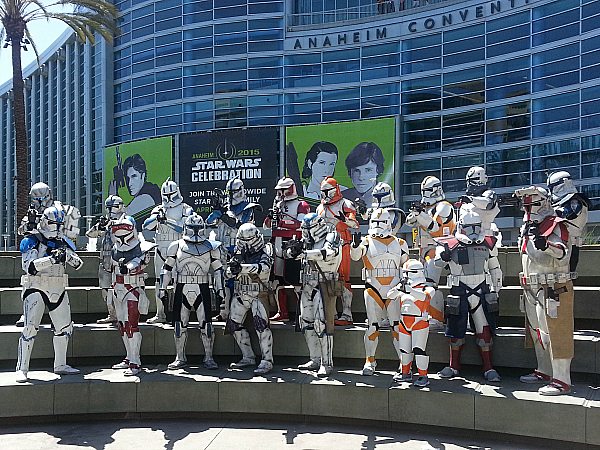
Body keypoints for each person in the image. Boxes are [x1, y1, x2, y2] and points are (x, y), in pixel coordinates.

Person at [515, 186, 576, 395]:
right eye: (526, 203)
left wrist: (546, 244)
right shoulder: (527, 227)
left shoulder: (555, 224)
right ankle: (544, 370)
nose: (528, 207)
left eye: (532, 202)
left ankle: (562, 379)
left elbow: (563, 253)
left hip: (552, 286)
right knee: (537, 332)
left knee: (555, 332)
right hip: (532, 287)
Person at [434, 209, 502, 382]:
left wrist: (497, 288)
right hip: (459, 290)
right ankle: (453, 365)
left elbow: (495, 267)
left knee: (484, 332)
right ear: (461, 226)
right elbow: (436, 264)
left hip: (482, 291)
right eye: (468, 227)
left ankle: (488, 367)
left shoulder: (488, 242)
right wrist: (444, 256)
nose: (472, 231)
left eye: (475, 227)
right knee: (456, 332)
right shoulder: (448, 243)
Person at [16, 205, 83, 382]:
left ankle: (60, 364)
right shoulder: (32, 239)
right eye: (55, 224)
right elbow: (29, 267)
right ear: (46, 222)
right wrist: (52, 259)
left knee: (65, 328)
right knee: (30, 328)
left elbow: (78, 264)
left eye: (61, 224)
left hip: (58, 289)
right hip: (36, 287)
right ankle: (22, 368)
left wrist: (66, 256)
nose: (58, 228)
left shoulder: (62, 240)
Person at [159, 213, 224, 370]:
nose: (195, 231)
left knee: (206, 325)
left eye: (197, 228)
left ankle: (208, 357)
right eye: (192, 228)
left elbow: (218, 270)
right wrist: (163, 288)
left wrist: (220, 288)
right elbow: (166, 269)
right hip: (182, 287)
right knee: (179, 325)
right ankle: (180, 357)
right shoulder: (176, 245)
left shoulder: (211, 246)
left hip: (202, 286)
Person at [350, 208, 409, 376]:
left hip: (394, 288)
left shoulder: (400, 243)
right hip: (373, 287)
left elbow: (406, 266)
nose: (377, 225)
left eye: (380, 222)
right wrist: (354, 245)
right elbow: (355, 256)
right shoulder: (366, 241)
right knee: (372, 326)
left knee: (397, 326)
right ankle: (370, 360)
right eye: (374, 222)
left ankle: (403, 363)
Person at [15, 182, 80, 327]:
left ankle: (59, 317)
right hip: (37, 245)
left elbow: (69, 228)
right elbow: (21, 230)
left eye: (42, 198)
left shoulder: (59, 209)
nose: (39, 202)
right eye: (36, 198)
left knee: (57, 280)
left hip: (56, 243)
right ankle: (27, 313)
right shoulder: (33, 212)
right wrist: (30, 224)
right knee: (30, 279)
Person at [286, 213, 342, 377]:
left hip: (324, 284)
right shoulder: (306, 241)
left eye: (309, 228)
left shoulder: (331, 235)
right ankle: (315, 359)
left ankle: (327, 363)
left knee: (322, 324)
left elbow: (329, 253)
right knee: (307, 323)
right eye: (305, 229)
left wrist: (305, 254)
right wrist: (292, 250)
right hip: (307, 285)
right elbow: (291, 253)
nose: (307, 232)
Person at [206, 178, 260, 321]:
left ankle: (239, 314)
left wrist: (224, 216)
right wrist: (217, 212)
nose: (231, 195)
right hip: (223, 249)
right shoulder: (225, 208)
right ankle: (224, 311)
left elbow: (242, 227)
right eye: (229, 192)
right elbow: (209, 222)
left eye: (234, 192)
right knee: (223, 281)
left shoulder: (249, 207)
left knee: (239, 281)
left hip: (241, 249)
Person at [405, 176, 455, 325]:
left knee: (430, 284)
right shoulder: (427, 207)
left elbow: (436, 229)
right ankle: (426, 314)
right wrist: (416, 213)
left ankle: (437, 317)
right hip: (425, 249)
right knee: (421, 284)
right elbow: (410, 222)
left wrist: (420, 215)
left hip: (441, 249)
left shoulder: (444, 206)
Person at [226, 223, 274, 375]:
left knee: (261, 326)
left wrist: (243, 268)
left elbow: (264, 269)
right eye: (243, 240)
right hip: (241, 293)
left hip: (258, 293)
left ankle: (267, 360)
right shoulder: (238, 253)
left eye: (248, 240)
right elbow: (228, 272)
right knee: (233, 325)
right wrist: (231, 270)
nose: (246, 243)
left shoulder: (265, 250)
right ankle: (248, 356)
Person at [143, 179, 193, 324]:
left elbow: (183, 228)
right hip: (160, 249)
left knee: (179, 283)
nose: (170, 198)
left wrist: (166, 220)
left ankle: (180, 315)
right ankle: (160, 314)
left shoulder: (185, 208)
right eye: (167, 195)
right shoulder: (159, 209)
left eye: (171, 194)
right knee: (159, 283)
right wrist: (157, 217)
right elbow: (147, 225)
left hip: (178, 249)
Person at [110, 215, 154, 376]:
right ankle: (129, 357)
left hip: (133, 288)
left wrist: (128, 267)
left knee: (132, 325)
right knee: (122, 325)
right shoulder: (115, 248)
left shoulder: (142, 247)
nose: (121, 233)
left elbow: (139, 262)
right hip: (118, 288)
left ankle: (135, 361)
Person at [264, 177, 311, 322]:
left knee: (295, 280)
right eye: (279, 190)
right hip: (277, 243)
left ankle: (303, 313)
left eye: (282, 189)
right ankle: (282, 311)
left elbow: (302, 224)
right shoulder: (277, 204)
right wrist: (270, 217)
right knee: (277, 280)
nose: (280, 193)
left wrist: (282, 221)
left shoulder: (301, 205)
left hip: (293, 243)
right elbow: (266, 225)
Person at [316, 177, 359, 325]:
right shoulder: (319, 208)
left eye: (328, 191)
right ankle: (332, 312)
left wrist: (345, 220)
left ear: (336, 189)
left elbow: (354, 224)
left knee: (343, 278)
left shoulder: (345, 204)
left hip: (342, 243)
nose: (325, 194)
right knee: (327, 279)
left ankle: (347, 313)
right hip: (324, 246)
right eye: (323, 191)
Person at [388, 259, 435, 387]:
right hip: (404, 322)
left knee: (419, 350)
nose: (405, 276)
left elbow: (425, 297)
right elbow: (390, 295)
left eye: (407, 273)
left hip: (419, 322)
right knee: (404, 350)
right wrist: (399, 289)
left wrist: (409, 290)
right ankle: (405, 373)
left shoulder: (427, 287)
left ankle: (423, 375)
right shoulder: (403, 287)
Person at [86, 195, 126, 324]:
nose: (111, 210)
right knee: (105, 289)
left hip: (119, 260)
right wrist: (100, 226)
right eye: (108, 207)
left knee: (120, 289)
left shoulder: (126, 220)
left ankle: (121, 315)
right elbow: (90, 235)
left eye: (113, 207)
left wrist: (113, 224)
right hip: (105, 260)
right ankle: (112, 314)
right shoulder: (106, 222)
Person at [546, 171, 588, 272]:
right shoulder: (561, 202)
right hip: (557, 244)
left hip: (570, 244)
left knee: (565, 277)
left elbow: (567, 215)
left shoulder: (575, 201)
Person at [109, 153, 161, 227]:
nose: (129, 183)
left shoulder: (146, 196)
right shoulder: (148, 190)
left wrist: (112, 197)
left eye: (134, 176)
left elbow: (121, 219)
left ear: (143, 175)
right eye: (127, 178)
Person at [342, 142, 385, 207]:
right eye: (356, 171)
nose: (361, 177)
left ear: (378, 171)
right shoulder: (341, 198)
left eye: (368, 170)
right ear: (350, 172)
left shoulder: (386, 197)